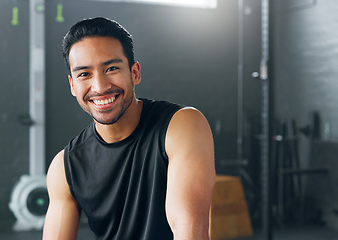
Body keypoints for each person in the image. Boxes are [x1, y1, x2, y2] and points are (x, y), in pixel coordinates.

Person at [43, 17, 215, 240]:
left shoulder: (182, 126)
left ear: (134, 73)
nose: (100, 87)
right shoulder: (64, 168)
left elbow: (190, 231)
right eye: (84, 74)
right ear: (73, 86)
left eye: (111, 68)